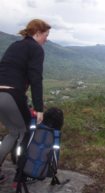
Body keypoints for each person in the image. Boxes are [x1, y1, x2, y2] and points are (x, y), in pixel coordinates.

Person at [0, 19, 51, 183]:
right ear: (38, 33)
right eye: (46, 35)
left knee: (14, 131)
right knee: (26, 132)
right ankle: (22, 174)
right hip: (12, 94)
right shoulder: (36, 48)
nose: (47, 39)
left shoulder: (16, 45)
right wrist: (39, 108)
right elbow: (36, 79)